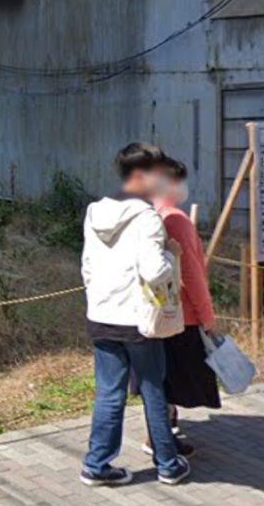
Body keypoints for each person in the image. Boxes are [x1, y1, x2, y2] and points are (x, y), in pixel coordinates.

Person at [80, 143, 190, 488]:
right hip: (138, 318)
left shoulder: (95, 211)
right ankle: (169, 464)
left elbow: (86, 266)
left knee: (109, 393)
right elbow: (155, 271)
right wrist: (172, 256)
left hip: (101, 312)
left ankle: (97, 465)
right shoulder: (146, 217)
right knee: (154, 388)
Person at [138, 158, 219, 457]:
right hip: (182, 315)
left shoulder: (151, 217)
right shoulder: (176, 219)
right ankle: (159, 439)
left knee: (162, 376)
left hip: (159, 311)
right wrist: (208, 317)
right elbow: (192, 275)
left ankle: (161, 435)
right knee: (172, 380)